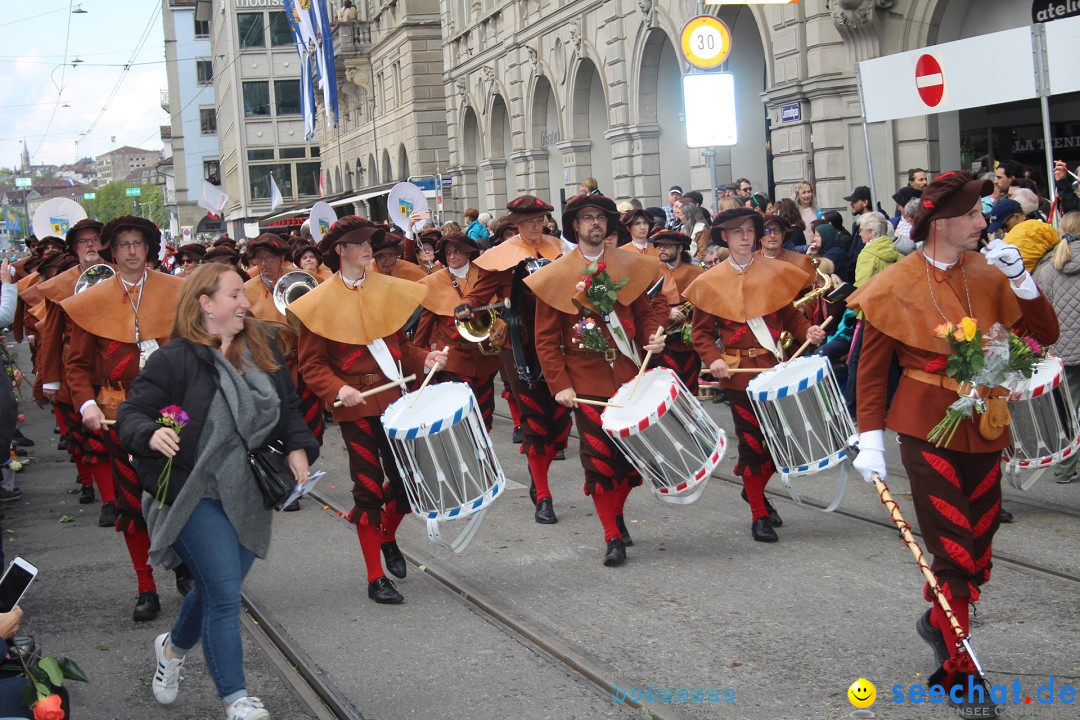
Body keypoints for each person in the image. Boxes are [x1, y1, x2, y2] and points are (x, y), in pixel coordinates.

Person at [848, 172, 1058, 715]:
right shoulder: (893, 281)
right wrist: (870, 438)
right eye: (971, 216)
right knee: (953, 545)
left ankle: (937, 621)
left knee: (980, 541)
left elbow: (1044, 336)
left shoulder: (988, 271)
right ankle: (959, 673)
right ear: (941, 223)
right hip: (924, 426)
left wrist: (1023, 282)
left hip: (985, 423)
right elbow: (870, 374)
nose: (981, 222)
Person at [117, 263, 318, 720]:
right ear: (206, 304)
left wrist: (300, 449)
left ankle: (171, 649)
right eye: (235, 295)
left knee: (212, 590)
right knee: (225, 593)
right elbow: (132, 414)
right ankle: (237, 699)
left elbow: (289, 409)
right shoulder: (174, 360)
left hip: (249, 490)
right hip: (194, 492)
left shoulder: (263, 347)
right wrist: (150, 433)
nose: (246, 303)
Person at [291, 217, 447, 605]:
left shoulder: (387, 289)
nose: (367, 248)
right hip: (355, 408)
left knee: (410, 485)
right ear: (340, 250)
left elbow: (399, 348)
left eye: (369, 243)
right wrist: (338, 388)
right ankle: (375, 576)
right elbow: (311, 366)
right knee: (368, 490)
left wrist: (426, 357)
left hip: (396, 400)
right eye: (358, 243)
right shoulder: (318, 303)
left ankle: (388, 537)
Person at [527, 194, 665, 566]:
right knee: (599, 462)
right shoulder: (554, 274)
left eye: (600, 218)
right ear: (575, 226)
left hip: (627, 376)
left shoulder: (629, 265)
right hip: (584, 381)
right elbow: (545, 339)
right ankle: (611, 535)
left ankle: (617, 516)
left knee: (630, 464)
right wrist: (560, 385)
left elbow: (643, 311)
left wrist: (653, 334)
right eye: (587, 218)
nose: (595, 224)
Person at [61, 216, 187, 622]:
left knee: (180, 494)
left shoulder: (178, 291)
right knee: (132, 503)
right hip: (118, 416)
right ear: (111, 252)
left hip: (172, 411)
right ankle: (146, 585)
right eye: (123, 245)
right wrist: (86, 405)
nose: (132, 251)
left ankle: (186, 565)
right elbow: (77, 366)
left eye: (138, 243)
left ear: (149, 248)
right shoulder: (91, 301)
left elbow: (196, 349)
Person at [686, 208, 826, 543]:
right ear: (725, 237)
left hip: (774, 371)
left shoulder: (775, 272)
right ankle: (758, 515)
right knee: (752, 445)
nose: (746, 237)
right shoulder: (708, 282)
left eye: (750, 230)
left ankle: (754, 490)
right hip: (738, 377)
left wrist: (810, 331)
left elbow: (790, 317)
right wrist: (714, 358)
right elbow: (701, 334)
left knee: (780, 445)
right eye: (737, 232)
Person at [455, 196, 571, 524]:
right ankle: (544, 495)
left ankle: (541, 477)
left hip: (560, 345)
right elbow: (478, 292)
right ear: (516, 224)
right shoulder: (502, 256)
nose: (536, 226)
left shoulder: (560, 249)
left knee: (560, 424)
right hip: (519, 346)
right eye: (529, 221)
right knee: (534, 423)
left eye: (540, 220)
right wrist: (465, 304)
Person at [36, 219, 120, 524]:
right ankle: (109, 500)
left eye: (95, 239)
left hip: (121, 372)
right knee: (94, 443)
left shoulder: (123, 274)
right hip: (80, 375)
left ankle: (127, 495)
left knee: (126, 440)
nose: (90, 245)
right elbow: (52, 335)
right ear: (74, 248)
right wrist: (50, 380)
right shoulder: (62, 285)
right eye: (82, 241)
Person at [244, 234, 324, 466]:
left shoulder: (304, 278)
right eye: (259, 258)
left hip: (302, 362)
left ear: (281, 258)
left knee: (311, 424)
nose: (264, 263)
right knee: (277, 422)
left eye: (270, 257)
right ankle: (286, 473)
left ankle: (305, 462)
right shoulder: (247, 288)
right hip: (267, 366)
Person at [413, 233, 501, 429]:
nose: (453, 256)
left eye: (458, 251)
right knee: (462, 414)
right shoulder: (434, 281)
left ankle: (483, 451)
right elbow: (425, 325)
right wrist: (418, 357)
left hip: (484, 356)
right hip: (453, 358)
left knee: (485, 412)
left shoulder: (485, 275)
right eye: (449, 252)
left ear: (469, 253)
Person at [1033, 211, 1080, 483]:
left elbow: (1040, 312)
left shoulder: (1048, 269)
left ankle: (1064, 468)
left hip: (1064, 349)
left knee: (1069, 411)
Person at [648, 230, 704, 392]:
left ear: (680, 249)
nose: (662, 250)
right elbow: (645, 303)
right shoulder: (652, 270)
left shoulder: (696, 272)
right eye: (660, 246)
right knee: (666, 387)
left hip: (689, 341)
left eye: (667, 246)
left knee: (690, 387)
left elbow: (706, 303)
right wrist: (669, 311)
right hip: (663, 339)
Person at [989, 197, 1060, 273]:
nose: (1003, 231)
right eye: (999, 228)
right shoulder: (1040, 226)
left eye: (1004, 226)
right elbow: (1058, 242)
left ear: (1017, 217)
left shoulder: (1012, 241)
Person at [853, 212, 900, 287]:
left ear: (870, 232)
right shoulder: (897, 252)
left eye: (861, 230)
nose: (859, 234)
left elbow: (861, 287)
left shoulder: (866, 256)